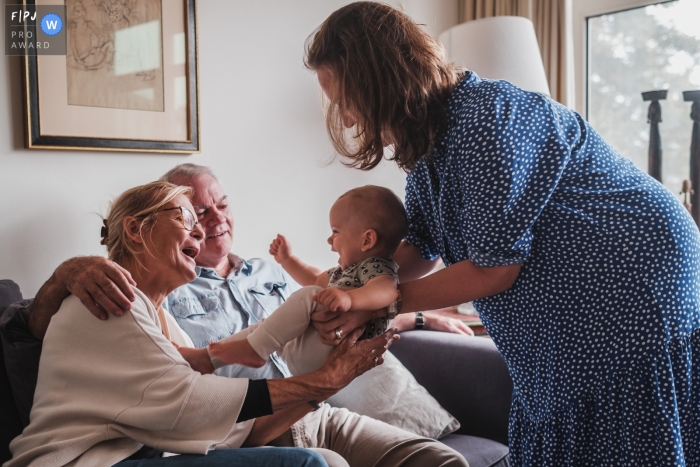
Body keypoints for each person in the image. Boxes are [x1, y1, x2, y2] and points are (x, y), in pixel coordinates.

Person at [303, 2, 700, 466]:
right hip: (565, 320)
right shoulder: (429, 148)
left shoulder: (484, 123)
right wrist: (351, 288)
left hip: (631, 287)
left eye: (345, 99)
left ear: (377, 79)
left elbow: (494, 270)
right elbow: (420, 247)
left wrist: (381, 303)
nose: (347, 120)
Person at [26, 166, 470, 467]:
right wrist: (326, 381)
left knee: (443, 461)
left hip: (296, 413)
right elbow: (191, 402)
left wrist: (415, 322)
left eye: (219, 205)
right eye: (190, 215)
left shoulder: (183, 307)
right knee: (320, 464)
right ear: (136, 230)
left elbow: (346, 303)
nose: (205, 227)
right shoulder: (109, 296)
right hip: (125, 453)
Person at [207, 185, 407, 376]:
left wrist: (351, 299)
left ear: (367, 241)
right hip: (306, 350)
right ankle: (208, 357)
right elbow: (315, 278)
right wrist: (287, 260)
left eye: (335, 232)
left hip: (331, 354)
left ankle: (255, 350)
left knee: (310, 295)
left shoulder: (377, 266)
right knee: (268, 324)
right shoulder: (346, 273)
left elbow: (387, 291)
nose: (330, 240)